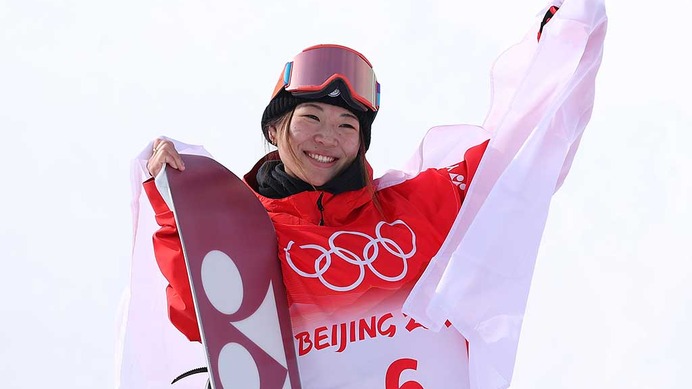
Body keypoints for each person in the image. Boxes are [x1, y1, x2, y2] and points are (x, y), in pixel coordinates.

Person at [119, 1, 607, 388]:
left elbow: (516, 161)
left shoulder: (417, 206)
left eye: (346, 125)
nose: (327, 138)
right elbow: (195, 316)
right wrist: (178, 204)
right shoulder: (244, 229)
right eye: (310, 118)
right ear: (275, 128)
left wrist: (563, 38)